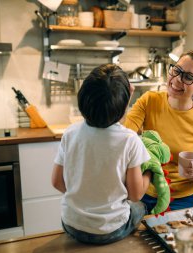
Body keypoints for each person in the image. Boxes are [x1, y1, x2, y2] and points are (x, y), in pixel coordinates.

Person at [51, 64, 151, 245]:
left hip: (72, 224)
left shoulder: (70, 133)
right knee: (141, 207)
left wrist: (86, 197)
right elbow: (135, 195)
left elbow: (57, 182)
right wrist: (150, 172)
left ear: (83, 97)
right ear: (123, 105)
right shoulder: (129, 140)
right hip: (111, 230)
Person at [124, 49, 193, 212]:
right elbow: (124, 137)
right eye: (177, 70)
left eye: (188, 77)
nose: (177, 79)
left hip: (183, 200)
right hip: (143, 195)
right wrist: (122, 102)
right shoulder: (149, 100)